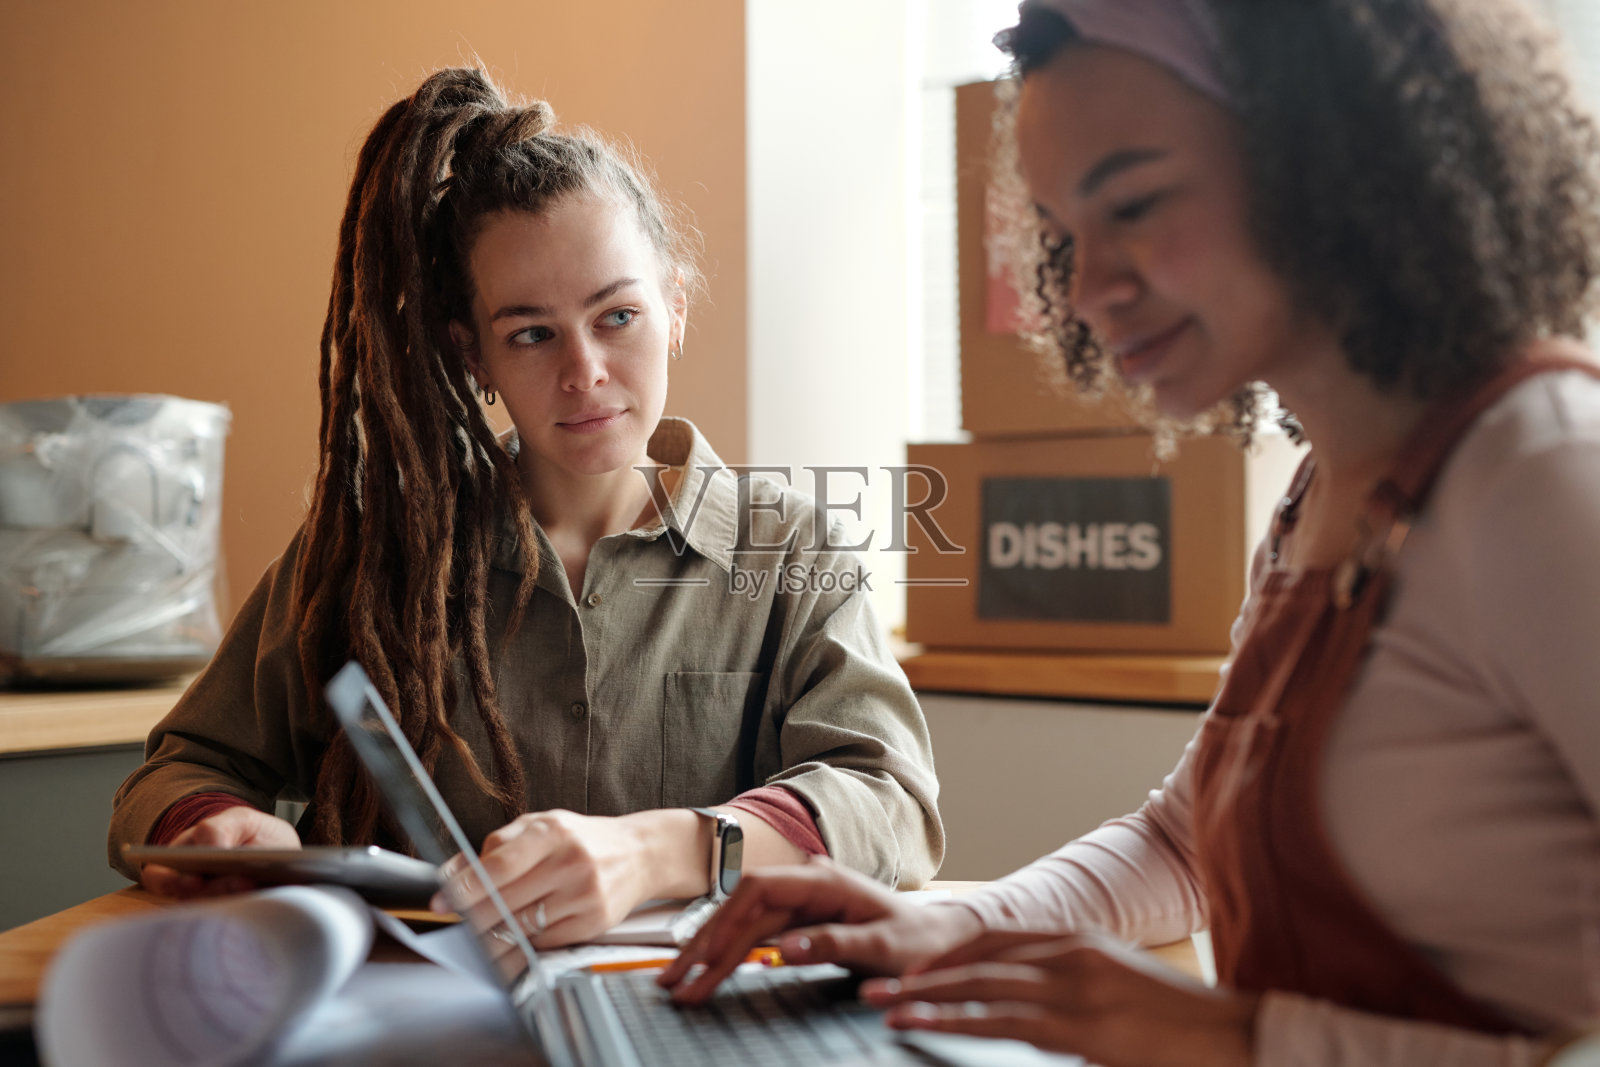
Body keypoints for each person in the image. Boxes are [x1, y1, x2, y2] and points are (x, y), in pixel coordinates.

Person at [661, 1, 1600, 1063]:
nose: (1090, 287)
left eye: (1138, 204)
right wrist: (948, 927)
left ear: (1322, 154)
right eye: (1063, 233)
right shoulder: (1314, 500)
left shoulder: (1542, 477)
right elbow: (1183, 840)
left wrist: (1237, 1037)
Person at [107, 67, 943, 948]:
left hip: (695, 1012)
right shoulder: (371, 548)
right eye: (531, 334)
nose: (583, 371)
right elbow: (182, 768)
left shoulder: (795, 551)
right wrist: (211, 826)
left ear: (676, 308)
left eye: (617, 315)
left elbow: (890, 801)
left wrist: (658, 850)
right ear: (473, 356)